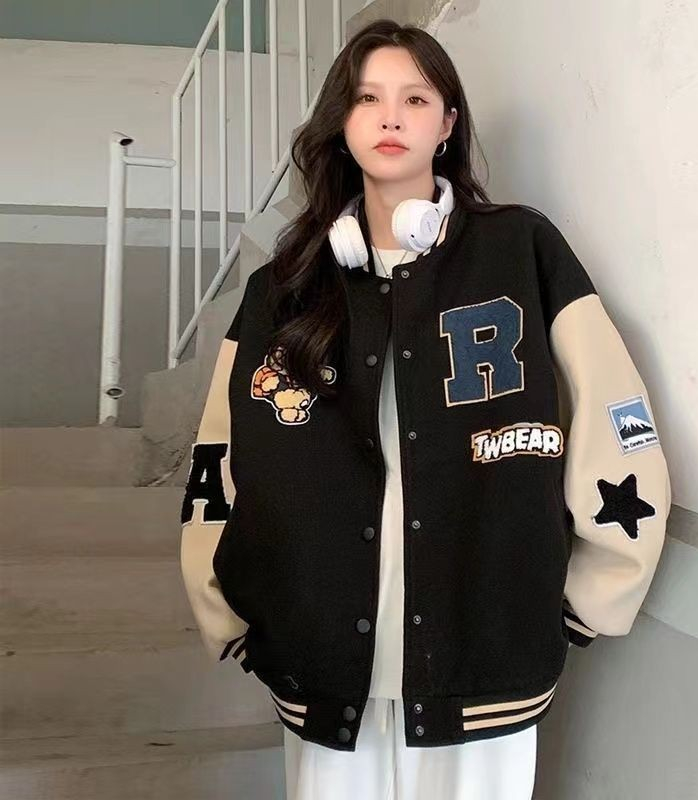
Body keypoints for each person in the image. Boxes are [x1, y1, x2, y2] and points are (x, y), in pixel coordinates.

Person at [179, 18, 671, 800]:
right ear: (341, 123)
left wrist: (595, 595)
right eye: (367, 98)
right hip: (318, 657)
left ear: (447, 124)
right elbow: (220, 453)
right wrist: (227, 610)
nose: (391, 116)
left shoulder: (520, 250)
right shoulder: (284, 286)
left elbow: (618, 416)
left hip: (484, 651)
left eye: (415, 98)